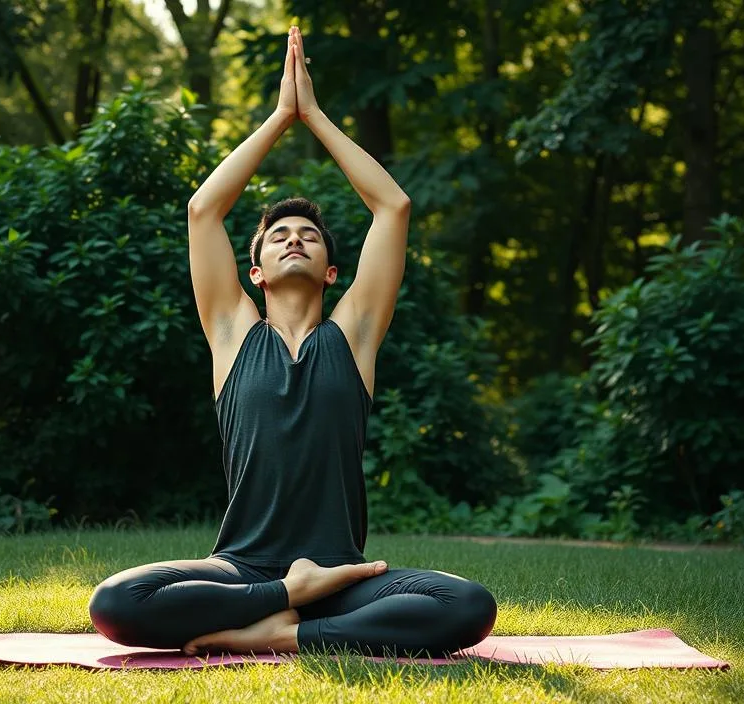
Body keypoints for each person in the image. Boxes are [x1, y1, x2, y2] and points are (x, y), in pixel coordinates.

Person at [88, 25, 497, 659]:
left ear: (333, 271)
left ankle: (290, 633)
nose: (293, 238)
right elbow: (203, 211)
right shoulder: (232, 333)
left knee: (468, 606)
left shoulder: (354, 336)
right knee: (116, 603)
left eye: (308, 233)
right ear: (255, 274)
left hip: (340, 576)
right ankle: (282, 604)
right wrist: (281, 116)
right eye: (278, 235)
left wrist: (316, 117)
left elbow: (392, 206)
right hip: (243, 569)